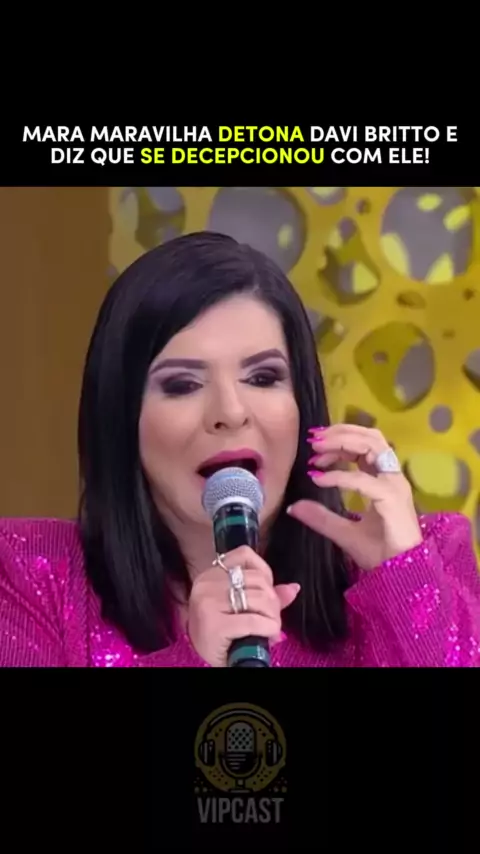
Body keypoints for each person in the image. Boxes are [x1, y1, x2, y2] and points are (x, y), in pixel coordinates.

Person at [1, 230, 480, 667]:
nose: (230, 412)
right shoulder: (29, 574)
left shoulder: (427, 559)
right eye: (183, 385)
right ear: (122, 416)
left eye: (263, 377)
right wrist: (192, 660)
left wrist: (405, 584)